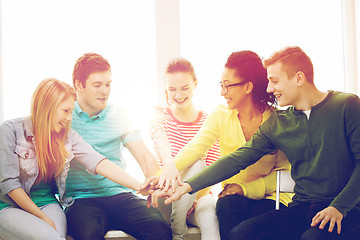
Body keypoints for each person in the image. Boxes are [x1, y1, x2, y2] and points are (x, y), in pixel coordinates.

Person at [149, 46, 360, 240]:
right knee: (240, 234)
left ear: (298, 78)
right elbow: (237, 159)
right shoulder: (280, 123)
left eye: (275, 81)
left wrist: (339, 207)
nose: (269, 89)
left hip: (347, 208)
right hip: (302, 209)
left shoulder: (346, 105)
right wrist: (187, 186)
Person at [145, 51, 292, 240]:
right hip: (232, 197)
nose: (222, 92)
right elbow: (195, 148)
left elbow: (284, 172)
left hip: (272, 197)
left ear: (247, 87)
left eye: (227, 85)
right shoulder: (221, 116)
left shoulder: (277, 121)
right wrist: (159, 177)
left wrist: (246, 189)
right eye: (221, 85)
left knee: (251, 227)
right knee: (226, 207)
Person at [0, 78, 153, 240]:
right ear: (47, 107)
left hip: (47, 203)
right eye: (65, 111)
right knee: (50, 237)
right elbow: (10, 186)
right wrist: (43, 218)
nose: (69, 118)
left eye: (71, 112)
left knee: (54, 236)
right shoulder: (10, 131)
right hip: (10, 206)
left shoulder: (66, 137)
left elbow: (99, 162)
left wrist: (140, 186)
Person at [65, 53, 171, 240]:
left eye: (108, 84)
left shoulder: (121, 115)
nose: (105, 91)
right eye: (97, 85)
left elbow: (145, 158)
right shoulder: (65, 116)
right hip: (81, 200)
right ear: (78, 85)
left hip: (120, 195)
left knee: (159, 229)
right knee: (88, 235)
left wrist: (155, 184)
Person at [150, 58, 221, 240]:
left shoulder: (209, 120)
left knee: (210, 219)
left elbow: (212, 171)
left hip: (198, 197)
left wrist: (192, 198)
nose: (178, 95)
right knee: (193, 162)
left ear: (195, 84)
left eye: (184, 88)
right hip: (167, 196)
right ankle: (178, 228)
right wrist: (170, 165)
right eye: (172, 89)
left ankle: (178, 227)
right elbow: (159, 138)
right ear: (165, 88)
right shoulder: (160, 113)